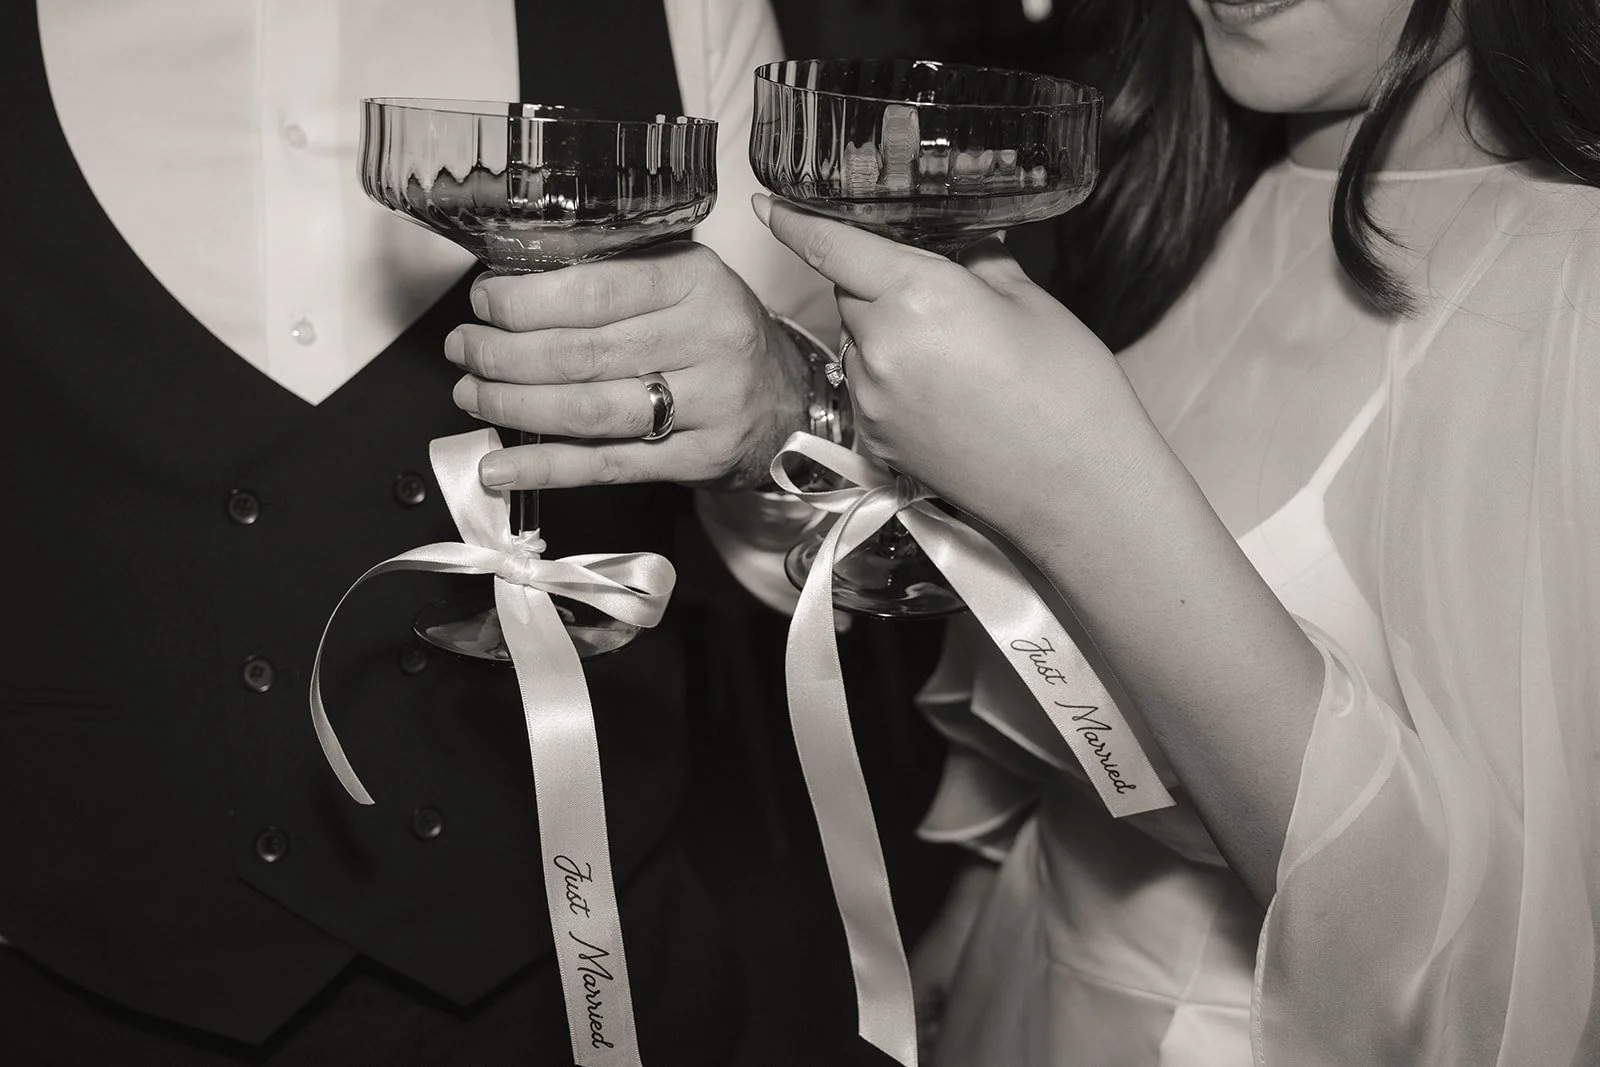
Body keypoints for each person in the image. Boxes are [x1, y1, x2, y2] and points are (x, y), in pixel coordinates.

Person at [456, 0, 1600, 1063]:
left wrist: (1073, 480)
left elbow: (1489, 984)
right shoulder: (1190, 193)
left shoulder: (1569, 279)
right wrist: (792, 414)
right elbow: (1067, 668)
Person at [0, 1, 832, 1062]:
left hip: (584, 969)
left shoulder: (686, 12)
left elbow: (822, 527)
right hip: (68, 977)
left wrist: (785, 411)